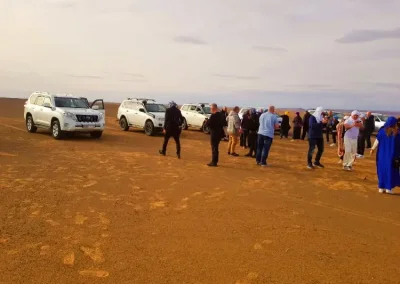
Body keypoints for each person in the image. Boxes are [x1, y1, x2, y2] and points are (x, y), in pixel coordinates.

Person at [370, 117, 400, 194]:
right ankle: (388, 188)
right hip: (392, 156)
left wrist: (372, 149)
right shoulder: (397, 133)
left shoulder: (381, 132)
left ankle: (381, 187)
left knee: (381, 170)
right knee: (390, 171)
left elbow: (377, 141)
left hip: (381, 155)